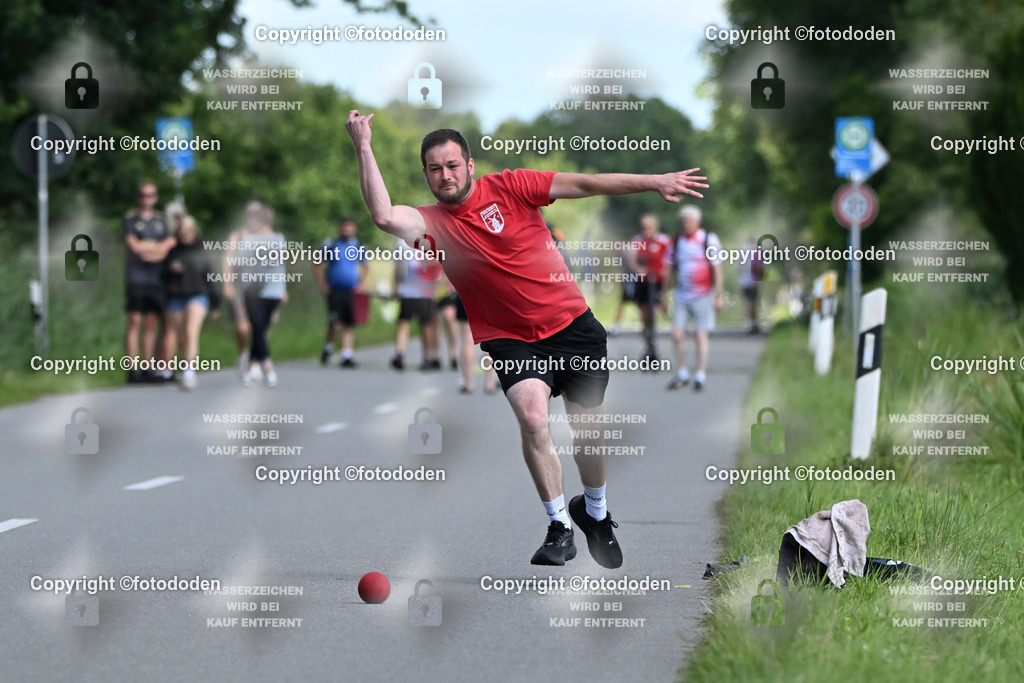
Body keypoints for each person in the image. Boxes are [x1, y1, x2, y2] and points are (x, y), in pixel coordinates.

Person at [346, 111, 707, 567]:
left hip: (572, 326)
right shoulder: (431, 223)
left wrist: (653, 180)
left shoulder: (513, 186)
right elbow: (381, 215)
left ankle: (594, 512)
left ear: (470, 165)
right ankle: (559, 525)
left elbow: (588, 185)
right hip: (509, 337)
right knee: (534, 418)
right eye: (435, 169)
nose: (445, 175)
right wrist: (363, 144)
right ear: (426, 175)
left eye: (453, 165)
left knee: (588, 432)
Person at [666, 206, 724, 392]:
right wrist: (662, 294)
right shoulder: (675, 242)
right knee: (676, 335)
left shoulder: (708, 240)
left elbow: (717, 269)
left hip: (703, 295)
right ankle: (683, 372)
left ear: (698, 222)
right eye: (684, 221)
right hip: (682, 295)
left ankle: (700, 374)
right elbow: (668, 270)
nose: (687, 224)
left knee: (700, 335)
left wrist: (718, 295)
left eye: (690, 221)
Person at [123, 181, 175, 383]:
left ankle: (148, 367)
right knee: (134, 319)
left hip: (156, 277)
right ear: (138, 197)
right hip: (136, 277)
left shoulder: (162, 221)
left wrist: (149, 249)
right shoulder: (130, 219)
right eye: (143, 195)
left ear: (156, 197)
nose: (147, 199)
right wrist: (155, 248)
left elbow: (166, 248)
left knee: (151, 322)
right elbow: (134, 247)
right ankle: (132, 368)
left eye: (150, 195)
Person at [161, 215, 220, 390]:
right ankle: (186, 365)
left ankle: (189, 371)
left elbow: (211, 276)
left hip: (197, 295)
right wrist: (171, 271)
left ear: (194, 232)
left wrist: (215, 302)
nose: (185, 236)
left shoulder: (202, 250)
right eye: (182, 233)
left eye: (188, 232)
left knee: (190, 332)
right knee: (181, 336)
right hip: (176, 296)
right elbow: (162, 275)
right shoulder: (173, 252)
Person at [232, 205, 286, 387]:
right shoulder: (250, 240)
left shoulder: (278, 239)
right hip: (252, 291)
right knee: (259, 329)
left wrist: (284, 290)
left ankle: (251, 370)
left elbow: (279, 265)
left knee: (259, 330)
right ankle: (269, 370)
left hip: (273, 291)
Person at [313, 217, 369, 368]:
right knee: (335, 322)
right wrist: (322, 284)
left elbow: (366, 266)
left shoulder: (358, 245)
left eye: (349, 228)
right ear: (339, 229)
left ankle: (346, 355)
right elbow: (317, 263)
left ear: (354, 229)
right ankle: (329, 346)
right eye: (344, 228)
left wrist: (360, 284)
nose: (346, 230)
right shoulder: (331, 244)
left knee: (349, 323)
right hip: (334, 290)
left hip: (351, 290)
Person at [222, 201, 264, 376]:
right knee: (242, 327)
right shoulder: (237, 235)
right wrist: (227, 283)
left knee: (259, 327)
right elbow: (227, 259)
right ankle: (242, 353)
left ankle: (255, 361)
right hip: (240, 286)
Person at [389, 237, 443, 372]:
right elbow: (397, 267)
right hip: (407, 291)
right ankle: (400, 354)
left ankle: (426, 357)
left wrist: (435, 286)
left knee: (425, 325)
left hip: (424, 292)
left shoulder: (430, 241)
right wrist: (395, 287)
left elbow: (438, 265)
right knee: (404, 322)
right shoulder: (401, 242)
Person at [624, 213, 672, 362]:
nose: (645, 230)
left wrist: (665, 277)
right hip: (643, 282)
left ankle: (654, 339)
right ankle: (648, 345)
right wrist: (638, 269)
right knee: (644, 315)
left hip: (657, 282)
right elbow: (630, 259)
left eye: (648, 227)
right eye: (643, 227)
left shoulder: (664, 240)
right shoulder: (637, 240)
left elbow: (669, 261)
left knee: (656, 312)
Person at [738, 235, 762, 334]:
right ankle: (752, 323)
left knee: (747, 302)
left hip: (743, 281)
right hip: (753, 281)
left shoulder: (743, 251)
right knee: (753, 303)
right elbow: (759, 267)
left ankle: (750, 322)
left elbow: (738, 267)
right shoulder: (756, 252)